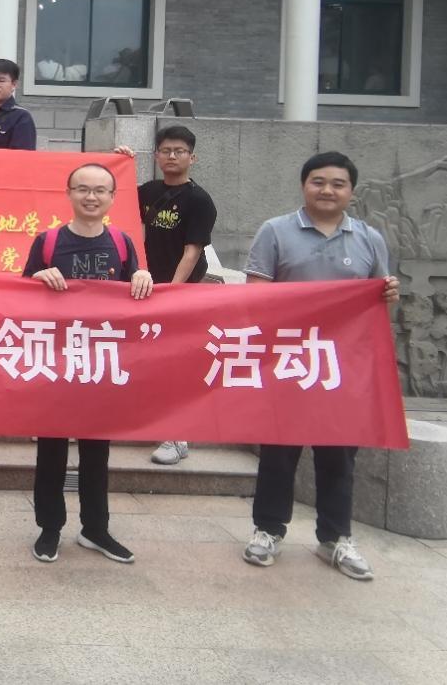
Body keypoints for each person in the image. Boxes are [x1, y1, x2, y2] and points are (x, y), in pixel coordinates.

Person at [241, 151, 400, 581]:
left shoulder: (369, 238)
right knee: (279, 451)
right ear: (303, 185)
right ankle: (268, 531)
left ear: (351, 191)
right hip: (288, 360)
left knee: (339, 455)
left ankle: (335, 538)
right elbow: (255, 295)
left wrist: (388, 295)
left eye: (337, 183)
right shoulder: (275, 231)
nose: (327, 190)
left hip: (343, 366)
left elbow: (378, 301)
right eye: (318, 181)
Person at [22, 162, 153, 566]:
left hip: (101, 362)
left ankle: (96, 528)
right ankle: (49, 528)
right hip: (57, 362)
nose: (91, 197)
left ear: (112, 198)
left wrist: (143, 278)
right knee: (52, 451)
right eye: (82, 189)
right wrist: (38, 278)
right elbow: (19, 296)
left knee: (97, 452)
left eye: (100, 190)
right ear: (69, 194)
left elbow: (137, 294)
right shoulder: (47, 241)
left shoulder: (122, 243)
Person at [116, 125, 218, 466]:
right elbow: (113, 198)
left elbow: (193, 251)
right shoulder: (149, 190)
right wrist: (119, 162)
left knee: (172, 362)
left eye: (179, 151)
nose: (172, 156)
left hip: (178, 291)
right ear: (157, 156)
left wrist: (172, 292)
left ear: (192, 157)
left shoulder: (199, 200)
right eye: (166, 151)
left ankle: (177, 437)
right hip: (144, 286)